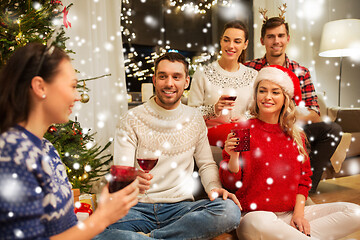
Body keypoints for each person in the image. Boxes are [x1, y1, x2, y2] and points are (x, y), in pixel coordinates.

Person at [95, 52, 241, 240]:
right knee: (97, 229)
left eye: (176, 77)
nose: (169, 83)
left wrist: (214, 188)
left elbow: (206, 163)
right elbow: (121, 173)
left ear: (186, 82)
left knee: (229, 211)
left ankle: (151, 238)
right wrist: (129, 180)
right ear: (154, 80)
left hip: (181, 209)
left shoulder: (194, 118)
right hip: (137, 209)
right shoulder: (131, 119)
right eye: (163, 76)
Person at [0, 43, 139, 240]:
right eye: (73, 86)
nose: (77, 96)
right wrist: (101, 218)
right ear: (40, 87)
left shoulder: (46, 148)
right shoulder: (12, 153)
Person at [219, 65, 360, 240]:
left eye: (275, 92)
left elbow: (304, 178)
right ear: (255, 96)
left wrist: (299, 215)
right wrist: (233, 157)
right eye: (262, 91)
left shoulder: (295, 135)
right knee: (256, 222)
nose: (268, 97)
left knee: (354, 212)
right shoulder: (243, 129)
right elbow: (230, 184)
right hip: (255, 217)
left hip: (289, 215)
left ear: (285, 98)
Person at [244, 16, 345, 193]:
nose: (276, 41)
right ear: (262, 40)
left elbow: (314, 113)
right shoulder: (249, 69)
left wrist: (285, 113)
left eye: (281, 36)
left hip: (292, 128)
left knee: (333, 131)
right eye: (271, 36)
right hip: (261, 130)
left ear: (288, 39)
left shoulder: (301, 72)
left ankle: (305, 190)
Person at [188, 20, 258, 147]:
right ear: (221, 41)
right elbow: (191, 113)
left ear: (245, 44)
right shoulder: (203, 73)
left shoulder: (253, 75)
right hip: (210, 144)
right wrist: (213, 109)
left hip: (243, 143)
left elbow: (257, 112)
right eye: (226, 40)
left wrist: (245, 118)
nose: (231, 46)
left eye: (237, 41)